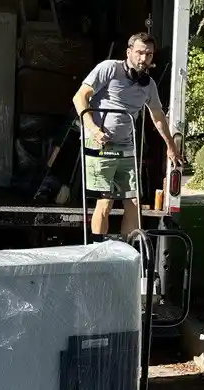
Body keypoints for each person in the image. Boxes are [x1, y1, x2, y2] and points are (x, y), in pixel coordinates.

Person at [72, 32, 182, 239]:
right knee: (106, 200)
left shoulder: (148, 85)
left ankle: (126, 251)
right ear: (129, 52)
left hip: (126, 146)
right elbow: (79, 97)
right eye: (140, 53)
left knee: (133, 201)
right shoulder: (109, 69)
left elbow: (157, 116)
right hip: (100, 145)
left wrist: (170, 146)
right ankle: (98, 250)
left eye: (149, 55)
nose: (144, 58)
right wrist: (94, 129)